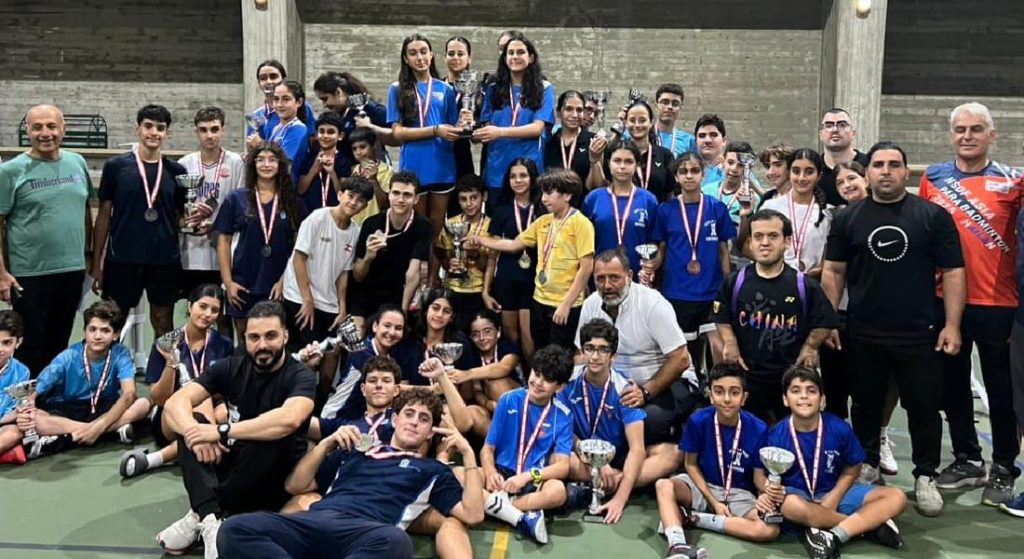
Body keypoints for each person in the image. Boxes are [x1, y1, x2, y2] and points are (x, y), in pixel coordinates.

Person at [821, 141, 965, 517]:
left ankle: (925, 474)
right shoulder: (848, 219)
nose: (886, 171)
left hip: (920, 332)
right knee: (865, 405)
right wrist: (830, 319)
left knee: (924, 407)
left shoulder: (933, 216)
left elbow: (953, 271)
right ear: (868, 172)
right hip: (864, 331)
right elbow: (833, 270)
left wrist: (952, 325)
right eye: (879, 165)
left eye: (894, 165)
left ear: (906, 171)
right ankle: (867, 465)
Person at [216, 390, 484, 559]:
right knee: (234, 529)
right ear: (395, 420)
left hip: (366, 532)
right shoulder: (355, 450)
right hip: (315, 521)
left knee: (396, 542)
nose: (414, 421)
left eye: (424, 419)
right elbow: (295, 485)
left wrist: (468, 453)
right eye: (409, 414)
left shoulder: (432, 470)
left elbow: (472, 515)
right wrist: (325, 445)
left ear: (430, 432)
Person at [918, 102, 1023, 506]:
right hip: (945, 301)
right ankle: (968, 458)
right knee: (953, 385)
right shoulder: (933, 178)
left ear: (992, 135)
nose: (967, 136)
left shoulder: (1013, 181)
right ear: (951, 135)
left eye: (976, 129)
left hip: (999, 302)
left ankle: (1004, 466)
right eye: (960, 129)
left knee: (1001, 391)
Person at [156, 301, 316, 559]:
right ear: (245, 338)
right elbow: (175, 403)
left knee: (271, 434)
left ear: (285, 336)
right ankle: (210, 519)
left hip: (273, 476)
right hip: (235, 465)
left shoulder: (300, 376)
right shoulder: (232, 367)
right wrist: (194, 432)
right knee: (192, 422)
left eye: (271, 336)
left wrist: (221, 431)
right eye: (254, 337)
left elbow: (289, 419)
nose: (262, 345)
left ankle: (202, 511)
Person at [753, 366, 906, 559]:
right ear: (785, 399)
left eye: (811, 391)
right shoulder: (775, 434)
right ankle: (865, 527)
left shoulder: (839, 428)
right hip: (797, 496)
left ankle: (833, 535)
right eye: (796, 391)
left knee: (896, 497)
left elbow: (853, 466)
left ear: (822, 400)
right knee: (790, 505)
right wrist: (767, 490)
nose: (804, 396)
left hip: (834, 492)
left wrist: (835, 496)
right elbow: (759, 474)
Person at [711, 209, 839, 423]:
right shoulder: (734, 282)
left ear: (787, 241)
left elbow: (825, 320)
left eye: (773, 236)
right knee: (746, 433)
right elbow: (720, 314)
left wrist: (810, 346)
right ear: (750, 242)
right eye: (758, 236)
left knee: (791, 434)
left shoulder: (803, 285)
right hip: (748, 376)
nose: (765, 243)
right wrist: (730, 341)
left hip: (789, 377)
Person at [0, 104, 94, 376]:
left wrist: (88, 256)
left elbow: (86, 212)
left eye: (52, 126)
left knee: (59, 343)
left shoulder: (77, 162)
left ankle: (50, 397)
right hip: (29, 273)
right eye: (37, 127)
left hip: (71, 270)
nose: (45, 133)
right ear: (27, 131)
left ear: (63, 129)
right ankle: (23, 400)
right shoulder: (11, 171)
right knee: (30, 346)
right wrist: (2, 273)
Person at [576, 248, 696, 446]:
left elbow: (681, 358)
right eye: (600, 279)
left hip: (666, 383)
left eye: (614, 278)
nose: (607, 285)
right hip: (615, 386)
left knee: (647, 421)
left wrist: (645, 392)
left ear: (629, 276)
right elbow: (581, 355)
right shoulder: (590, 304)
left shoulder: (653, 303)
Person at [655, 363, 776, 559]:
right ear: (710, 395)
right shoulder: (698, 420)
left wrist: (767, 493)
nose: (726, 399)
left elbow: (758, 477)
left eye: (734, 392)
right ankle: (677, 545)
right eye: (719, 392)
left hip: (739, 493)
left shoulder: (759, 428)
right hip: (702, 485)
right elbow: (690, 465)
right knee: (663, 485)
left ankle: (693, 518)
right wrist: (713, 501)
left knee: (769, 529)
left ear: (744, 398)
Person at [562, 319, 677, 524]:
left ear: (613, 356)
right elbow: (561, 431)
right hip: (582, 456)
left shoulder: (624, 389)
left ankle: (608, 484)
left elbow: (637, 449)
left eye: (603, 350)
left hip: (619, 456)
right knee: (561, 458)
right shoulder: (567, 383)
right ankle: (608, 481)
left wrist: (620, 500)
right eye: (590, 348)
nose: (595, 356)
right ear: (582, 352)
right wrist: (594, 462)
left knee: (674, 454)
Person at [470, 169, 594, 350]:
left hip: (564, 303)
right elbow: (514, 244)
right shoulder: (543, 221)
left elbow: (586, 267)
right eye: (543, 193)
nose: (543, 199)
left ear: (567, 195)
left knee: (559, 355)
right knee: (540, 351)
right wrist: (480, 240)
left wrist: (566, 304)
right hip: (539, 300)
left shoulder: (582, 224)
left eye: (549, 193)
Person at [92, 104, 187, 339]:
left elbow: (180, 216)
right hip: (123, 258)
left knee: (163, 321)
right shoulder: (116, 167)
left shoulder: (177, 171)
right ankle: (109, 364)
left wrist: (196, 219)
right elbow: (104, 215)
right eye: (148, 126)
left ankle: (162, 364)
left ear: (168, 133)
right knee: (113, 322)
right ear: (138, 129)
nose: (154, 132)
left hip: (163, 259)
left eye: (160, 128)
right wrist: (96, 262)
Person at [122, 284, 234, 478]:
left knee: (216, 408)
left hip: (209, 413)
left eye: (214, 310)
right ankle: (209, 446)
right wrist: (171, 365)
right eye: (203, 307)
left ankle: (154, 459)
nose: (208, 314)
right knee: (201, 398)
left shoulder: (223, 344)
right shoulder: (166, 342)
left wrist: (216, 400)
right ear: (190, 306)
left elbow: (227, 389)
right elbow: (158, 398)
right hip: (171, 415)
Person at [282, 177, 372, 398]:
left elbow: (344, 272)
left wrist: (342, 306)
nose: (353, 202)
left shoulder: (355, 231)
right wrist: (307, 299)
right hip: (300, 298)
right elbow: (298, 258)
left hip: (329, 302)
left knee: (331, 356)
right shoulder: (317, 218)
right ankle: (295, 401)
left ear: (364, 206)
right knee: (306, 358)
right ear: (340, 194)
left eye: (360, 200)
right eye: (350, 196)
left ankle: (323, 401)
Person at [21, 301, 151, 449]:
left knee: (143, 404)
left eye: (105, 330)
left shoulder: (121, 353)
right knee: (36, 418)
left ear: (115, 335)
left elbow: (129, 394)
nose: (97, 336)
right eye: (92, 329)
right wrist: (27, 405)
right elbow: (35, 389)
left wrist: (100, 425)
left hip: (104, 406)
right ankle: (111, 431)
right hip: (69, 409)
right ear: (85, 331)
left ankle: (74, 435)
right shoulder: (68, 357)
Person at [648, 153, 735, 370]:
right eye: (683, 171)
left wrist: (727, 285)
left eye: (695, 171)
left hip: (711, 290)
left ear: (703, 175)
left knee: (718, 348)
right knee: (686, 353)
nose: (689, 176)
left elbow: (723, 250)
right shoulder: (666, 210)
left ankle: (715, 385)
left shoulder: (717, 208)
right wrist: (650, 267)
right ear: (676, 177)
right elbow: (661, 250)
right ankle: (692, 385)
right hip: (677, 291)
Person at [481, 344, 573, 544]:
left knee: (558, 491)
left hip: (533, 479)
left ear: (559, 387)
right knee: (462, 475)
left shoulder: (563, 415)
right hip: (501, 475)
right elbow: (488, 449)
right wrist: (490, 472)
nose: (538, 382)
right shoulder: (508, 400)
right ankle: (522, 516)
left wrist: (527, 476)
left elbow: (563, 466)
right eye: (536, 374)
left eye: (547, 379)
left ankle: (499, 506)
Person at [215, 142, 304, 344]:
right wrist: (228, 283)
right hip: (243, 282)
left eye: (272, 160)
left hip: (277, 283)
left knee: (275, 338)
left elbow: (299, 246)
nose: (266, 164)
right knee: (246, 338)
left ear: (280, 165)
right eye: (261, 159)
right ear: (253, 164)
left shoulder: (291, 200)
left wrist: (284, 281)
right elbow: (223, 242)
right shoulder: (236, 198)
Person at [387, 34, 461, 260]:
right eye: (413, 53)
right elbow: (398, 133)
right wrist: (435, 130)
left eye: (423, 52)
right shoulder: (397, 89)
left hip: (442, 166)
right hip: (414, 168)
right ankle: (416, 273)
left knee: (437, 227)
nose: (419, 58)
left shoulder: (446, 90)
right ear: (405, 59)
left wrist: (464, 123)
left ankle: (433, 276)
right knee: (418, 226)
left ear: (431, 55)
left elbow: (454, 129)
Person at [177, 107, 245, 335]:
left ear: (223, 130)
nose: (209, 135)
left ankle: (224, 357)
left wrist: (216, 225)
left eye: (214, 129)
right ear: (196, 132)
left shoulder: (236, 163)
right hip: (191, 254)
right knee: (195, 315)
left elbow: (242, 208)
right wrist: (187, 220)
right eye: (204, 130)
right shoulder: (184, 164)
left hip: (224, 255)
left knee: (223, 317)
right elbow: (177, 207)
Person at [475, 32, 556, 197]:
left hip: (529, 169)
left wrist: (500, 132)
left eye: (520, 52)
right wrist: (473, 130)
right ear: (505, 58)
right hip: (497, 170)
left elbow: (536, 128)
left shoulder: (544, 88)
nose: (515, 56)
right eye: (510, 53)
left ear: (531, 57)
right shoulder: (492, 89)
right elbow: (486, 126)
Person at [482, 158, 544, 358]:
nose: (518, 180)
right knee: (510, 334)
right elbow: (492, 254)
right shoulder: (501, 210)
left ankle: (533, 371)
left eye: (523, 175)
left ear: (533, 178)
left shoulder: (543, 209)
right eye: (513, 176)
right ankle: (516, 372)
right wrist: (485, 290)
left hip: (533, 279)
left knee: (528, 334)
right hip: (506, 279)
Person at [349, 172, 432, 321]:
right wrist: (368, 257)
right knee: (356, 331)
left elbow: (413, 273)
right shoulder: (371, 224)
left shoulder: (422, 225)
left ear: (416, 199)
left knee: (395, 329)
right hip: (366, 295)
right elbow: (358, 276)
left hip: (397, 296)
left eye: (407, 195)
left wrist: (403, 313)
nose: (400, 199)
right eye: (396, 193)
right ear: (389, 195)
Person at [320, 306, 421, 420]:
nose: (392, 332)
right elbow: (395, 388)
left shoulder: (394, 356)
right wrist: (432, 390)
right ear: (375, 326)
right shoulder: (361, 351)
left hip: (363, 421)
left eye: (398, 328)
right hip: (336, 417)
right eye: (387, 326)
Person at [582, 140, 659, 275]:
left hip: (637, 276)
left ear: (637, 165)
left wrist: (651, 265)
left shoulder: (648, 200)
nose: (622, 166)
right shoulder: (593, 198)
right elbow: (583, 242)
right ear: (608, 163)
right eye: (617, 161)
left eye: (628, 161)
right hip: (601, 277)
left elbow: (654, 241)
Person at [760, 148, 831, 276]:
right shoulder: (771, 207)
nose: (801, 178)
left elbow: (828, 260)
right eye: (796, 171)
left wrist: (806, 277)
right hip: (773, 280)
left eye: (809, 172)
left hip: (812, 283)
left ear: (819, 176)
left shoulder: (828, 214)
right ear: (789, 173)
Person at [587, 101, 675, 202]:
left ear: (651, 122)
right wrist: (594, 158)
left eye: (642, 120)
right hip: (621, 210)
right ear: (626, 122)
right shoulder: (616, 153)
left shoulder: (665, 155)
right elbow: (599, 186)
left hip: (655, 210)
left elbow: (670, 194)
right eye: (632, 120)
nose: (637, 125)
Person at [435, 174, 490, 329]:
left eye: (474, 198)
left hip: (478, 290)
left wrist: (474, 254)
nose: (469, 204)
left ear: (484, 197)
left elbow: (490, 267)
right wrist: (450, 263)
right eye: (463, 199)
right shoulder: (451, 224)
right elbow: (443, 259)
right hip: (452, 289)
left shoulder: (491, 226)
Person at [447, 309, 522, 413]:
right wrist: (488, 403)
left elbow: (504, 368)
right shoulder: (472, 354)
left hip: (516, 400)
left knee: (496, 382)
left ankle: (513, 420)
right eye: (475, 334)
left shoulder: (507, 347)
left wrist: (467, 374)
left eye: (487, 331)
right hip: (487, 404)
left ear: (498, 332)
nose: (482, 338)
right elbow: (476, 391)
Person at [311, 70, 394, 164]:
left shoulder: (371, 109)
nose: (324, 105)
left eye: (325, 99)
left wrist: (371, 127)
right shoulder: (336, 116)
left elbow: (396, 139)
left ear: (338, 92)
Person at [246, 60, 316, 141]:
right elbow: (252, 145)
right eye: (263, 78)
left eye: (273, 77)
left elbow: (312, 138)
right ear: (259, 83)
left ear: (283, 79)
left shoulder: (299, 106)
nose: (268, 81)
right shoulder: (256, 116)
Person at [295, 111, 348, 212]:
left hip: (334, 214)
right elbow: (301, 190)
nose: (325, 136)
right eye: (322, 131)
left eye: (331, 132)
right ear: (316, 135)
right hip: (310, 214)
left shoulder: (343, 160)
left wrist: (332, 173)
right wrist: (314, 169)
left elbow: (343, 196)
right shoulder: (309, 158)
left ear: (340, 136)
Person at [817, 108, 870, 207]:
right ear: (821, 134)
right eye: (828, 125)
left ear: (853, 133)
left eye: (842, 125)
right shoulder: (814, 170)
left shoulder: (870, 165)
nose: (835, 130)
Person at [443, 36, 478, 179]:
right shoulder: (436, 88)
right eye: (451, 54)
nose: (455, 58)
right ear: (445, 58)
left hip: (462, 155)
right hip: (438, 152)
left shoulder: (477, 91)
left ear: (469, 58)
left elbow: (478, 134)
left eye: (460, 54)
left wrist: (473, 125)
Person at [0, 311, 33, 464]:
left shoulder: (23, 372)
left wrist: (21, 414)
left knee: (16, 432)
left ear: (18, 342)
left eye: (7, 343)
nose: (0, 349)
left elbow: (14, 411)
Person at [265, 80, 312, 179]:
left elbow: (283, 163)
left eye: (286, 99)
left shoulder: (299, 129)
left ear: (299, 102)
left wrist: (258, 145)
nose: (279, 104)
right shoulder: (276, 128)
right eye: (276, 99)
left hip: (286, 184)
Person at [544, 90, 594, 182]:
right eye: (568, 109)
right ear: (558, 112)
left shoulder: (592, 141)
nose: (574, 115)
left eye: (579, 110)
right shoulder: (549, 143)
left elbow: (599, 184)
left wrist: (595, 160)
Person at [348, 127, 393, 224]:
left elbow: (386, 205)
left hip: (375, 223)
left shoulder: (387, 171)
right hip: (354, 223)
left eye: (362, 147)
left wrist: (373, 180)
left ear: (374, 146)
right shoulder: (353, 170)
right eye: (354, 149)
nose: (358, 152)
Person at [652, 83, 697, 157]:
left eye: (675, 104)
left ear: (680, 107)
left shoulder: (689, 141)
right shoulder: (644, 135)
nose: (670, 107)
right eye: (665, 102)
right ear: (656, 106)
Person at [693, 114, 728, 186]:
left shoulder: (735, 171)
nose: (707, 140)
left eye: (713, 135)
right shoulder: (687, 172)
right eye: (702, 136)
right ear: (696, 142)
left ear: (724, 141)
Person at [756, 143, 794, 208]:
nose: (771, 172)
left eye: (778, 165)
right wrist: (747, 212)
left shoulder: (803, 198)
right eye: (767, 166)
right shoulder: (767, 198)